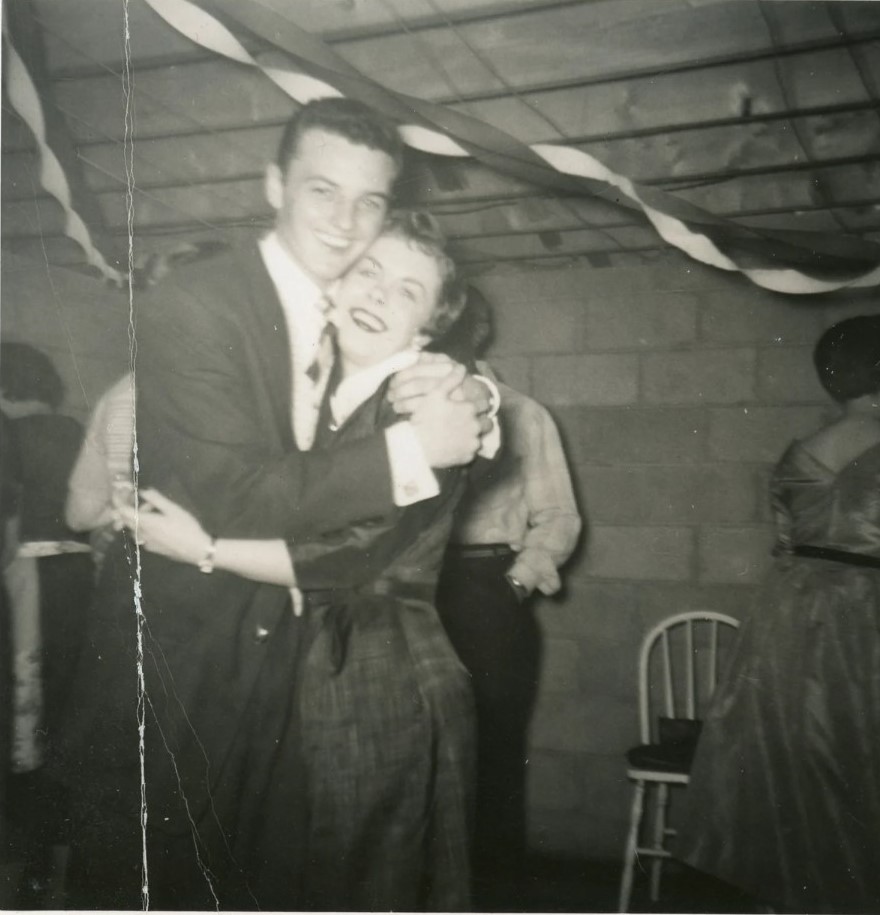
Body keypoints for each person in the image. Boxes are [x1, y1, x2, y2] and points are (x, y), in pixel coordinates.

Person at [57, 98, 495, 910]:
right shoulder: (199, 302)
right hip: (183, 656)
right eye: (322, 191)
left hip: (290, 669)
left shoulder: (353, 326)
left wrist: (471, 393)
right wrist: (417, 445)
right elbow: (240, 493)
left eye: (369, 202)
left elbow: (387, 416)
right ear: (273, 185)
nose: (345, 222)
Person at [675, 313, 880, 914]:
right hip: (874, 622)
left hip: (787, 625)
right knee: (868, 778)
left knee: (798, 777)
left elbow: (783, 545)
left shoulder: (795, 456)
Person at [433, 304, 582, 905]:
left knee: (491, 763)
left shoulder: (524, 414)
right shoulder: (394, 418)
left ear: (478, 333)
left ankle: (493, 899)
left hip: (486, 589)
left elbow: (558, 517)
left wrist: (512, 587)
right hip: (411, 591)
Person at [0, 343, 93, 904]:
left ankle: (23, 855)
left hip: (26, 578)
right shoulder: (73, 431)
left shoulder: (11, 436)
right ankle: (46, 852)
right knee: (61, 708)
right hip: (75, 576)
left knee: (20, 707)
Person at [64, 373, 134, 571]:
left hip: (123, 538)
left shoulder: (127, 393)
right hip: (114, 527)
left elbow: (80, 516)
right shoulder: (128, 397)